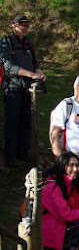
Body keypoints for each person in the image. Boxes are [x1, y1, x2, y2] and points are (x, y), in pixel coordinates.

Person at [0, 15, 46, 167]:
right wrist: (31, 74)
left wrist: (39, 73)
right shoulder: (6, 42)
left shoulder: (28, 43)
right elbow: (8, 68)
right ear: (13, 26)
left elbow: (35, 63)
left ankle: (23, 154)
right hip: (12, 87)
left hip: (28, 88)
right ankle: (10, 159)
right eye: (21, 25)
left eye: (26, 25)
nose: (24, 27)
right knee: (13, 122)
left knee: (26, 122)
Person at [50, 74, 79, 207]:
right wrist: (60, 160)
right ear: (75, 87)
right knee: (77, 193)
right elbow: (54, 134)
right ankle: (77, 222)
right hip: (74, 158)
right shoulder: (66, 106)